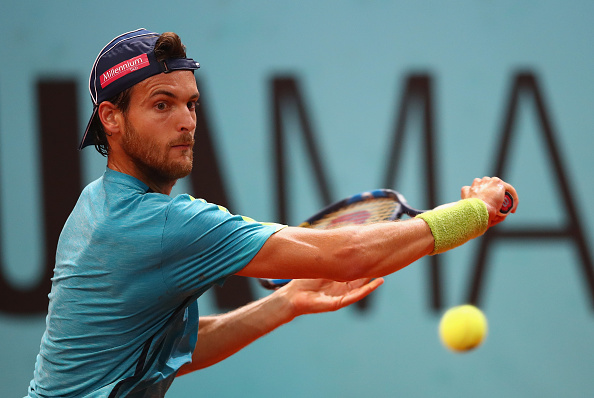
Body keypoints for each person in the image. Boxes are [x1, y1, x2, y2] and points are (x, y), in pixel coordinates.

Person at [27, 28, 518, 397]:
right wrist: (473, 212)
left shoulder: (97, 203)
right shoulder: (159, 224)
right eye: (161, 105)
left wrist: (285, 303)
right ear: (111, 118)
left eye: (191, 105)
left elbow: (163, 356)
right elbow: (350, 254)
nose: (185, 122)